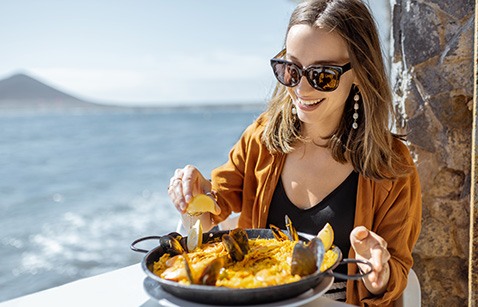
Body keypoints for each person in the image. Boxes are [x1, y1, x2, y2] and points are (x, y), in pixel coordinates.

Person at [167, 0, 421, 306]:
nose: (301, 88)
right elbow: (208, 216)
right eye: (291, 69)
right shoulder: (260, 140)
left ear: (359, 72)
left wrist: (378, 275)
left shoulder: (391, 166)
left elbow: (396, 275)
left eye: (323, 75)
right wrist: (192, 195)